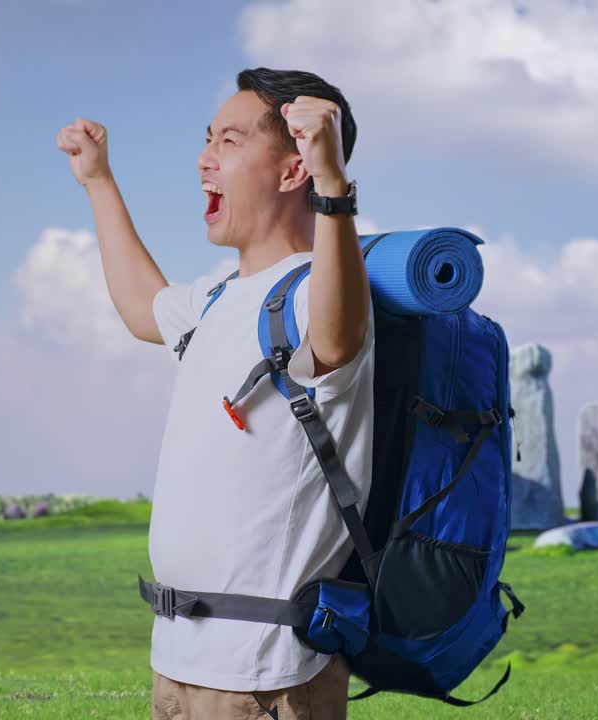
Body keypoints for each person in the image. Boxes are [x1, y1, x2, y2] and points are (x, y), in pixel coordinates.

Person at [57, 67, 374, 720]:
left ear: (292, 171)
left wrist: (335, 188)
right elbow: (145, 308)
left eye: (228, 141)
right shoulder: (218, 299)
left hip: (262, 676)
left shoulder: (315, 292)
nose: (204, 159)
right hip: (177, 662)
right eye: (207, 139)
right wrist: (98, 180)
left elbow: (339, 336)